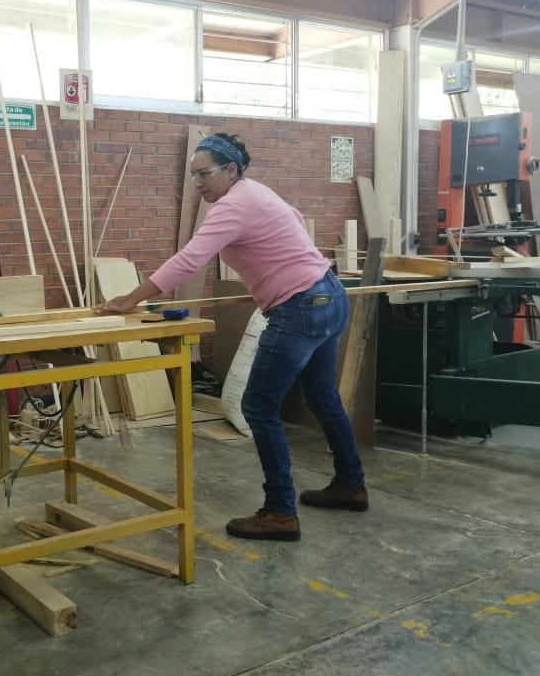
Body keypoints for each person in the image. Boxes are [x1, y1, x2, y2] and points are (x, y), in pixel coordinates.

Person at [96, 133, 367, 541]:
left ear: (231, 170)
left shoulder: (233, 205)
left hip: (299, 308)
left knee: (258, 406)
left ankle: (279, 511)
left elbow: (190, 258)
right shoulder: (257, 193)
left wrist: (132, 298)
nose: (199, 183)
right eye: (193, 176)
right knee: (322, 396)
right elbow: (293, 219)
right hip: (328, 294)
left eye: (205, 173)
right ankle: (350, 483)